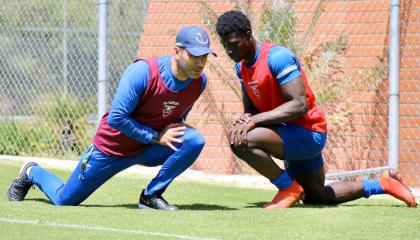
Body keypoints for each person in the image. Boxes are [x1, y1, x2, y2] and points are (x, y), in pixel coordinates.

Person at [215, 10, 416, 208]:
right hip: (286, 135)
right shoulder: (241, 68)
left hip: (308, 132)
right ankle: (382, 183)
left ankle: (288, 188)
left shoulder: (277, 57)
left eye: (233, 44)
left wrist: (253, 123)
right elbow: (252, 111)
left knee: (241, 141)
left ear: (248, 36)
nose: (229, 51)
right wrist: (243, 121)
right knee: (317, 197)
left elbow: (299, 105)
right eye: (225, 46)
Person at [7, 26, 216, 211]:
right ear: (177, 51)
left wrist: (161, 136)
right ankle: (32, 171)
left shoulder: (199, 82)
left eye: (204, 56)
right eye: (194, 55)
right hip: (112, 149)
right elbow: (116, 118)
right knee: (64, 200)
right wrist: (154, 136)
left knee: (194, 140)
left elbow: (176, 119)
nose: (200, 62)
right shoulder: (143, 72)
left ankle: (151, 195)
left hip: (147, 148)